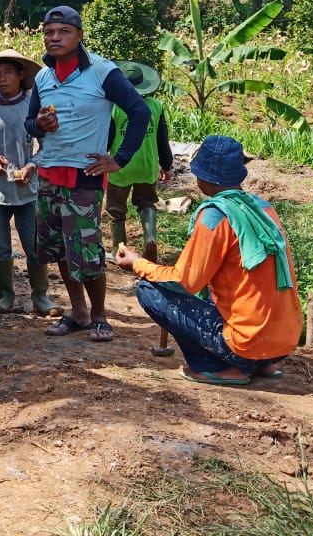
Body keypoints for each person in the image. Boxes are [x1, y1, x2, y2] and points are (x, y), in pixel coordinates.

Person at [115, 135, 303, 386]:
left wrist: (138, 264)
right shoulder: (263, 208)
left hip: (244, 346)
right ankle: (263, 364)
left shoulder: (215, 215)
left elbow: (185, 282)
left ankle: (213, 367)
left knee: (148, 289)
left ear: (203, 178)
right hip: (283, 344)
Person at [24, 6, 151, 342]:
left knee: (87, 249)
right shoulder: (42, 77)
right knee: (60, 249)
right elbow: (29, 122)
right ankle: (77, 312)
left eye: (63, 31)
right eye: (49, 32)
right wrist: (39, 124)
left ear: (79, 35)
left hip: (85, 176)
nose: (55, 38)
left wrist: (119, 159)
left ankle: (99, 315)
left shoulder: (102, 72)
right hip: (49, 173)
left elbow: (140, 111)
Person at [0, 49, 57, 316]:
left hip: (27, 190)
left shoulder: (33, 108)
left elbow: (47, 145)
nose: (1, 78)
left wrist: (32, 165)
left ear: (21, 75)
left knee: (34, 245)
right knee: (0, 247)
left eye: (7, 72)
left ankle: (41, 296)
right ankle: (5, 296)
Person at [105, 61, 173, 261]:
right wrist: (166, 165)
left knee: (115, 210)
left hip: (121, 166)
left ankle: (118, 249)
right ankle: (150, 238)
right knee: (147, 203)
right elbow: (163, 140)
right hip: (147, 165)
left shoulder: (115, 109)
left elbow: (108, 138)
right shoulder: (156, 106)